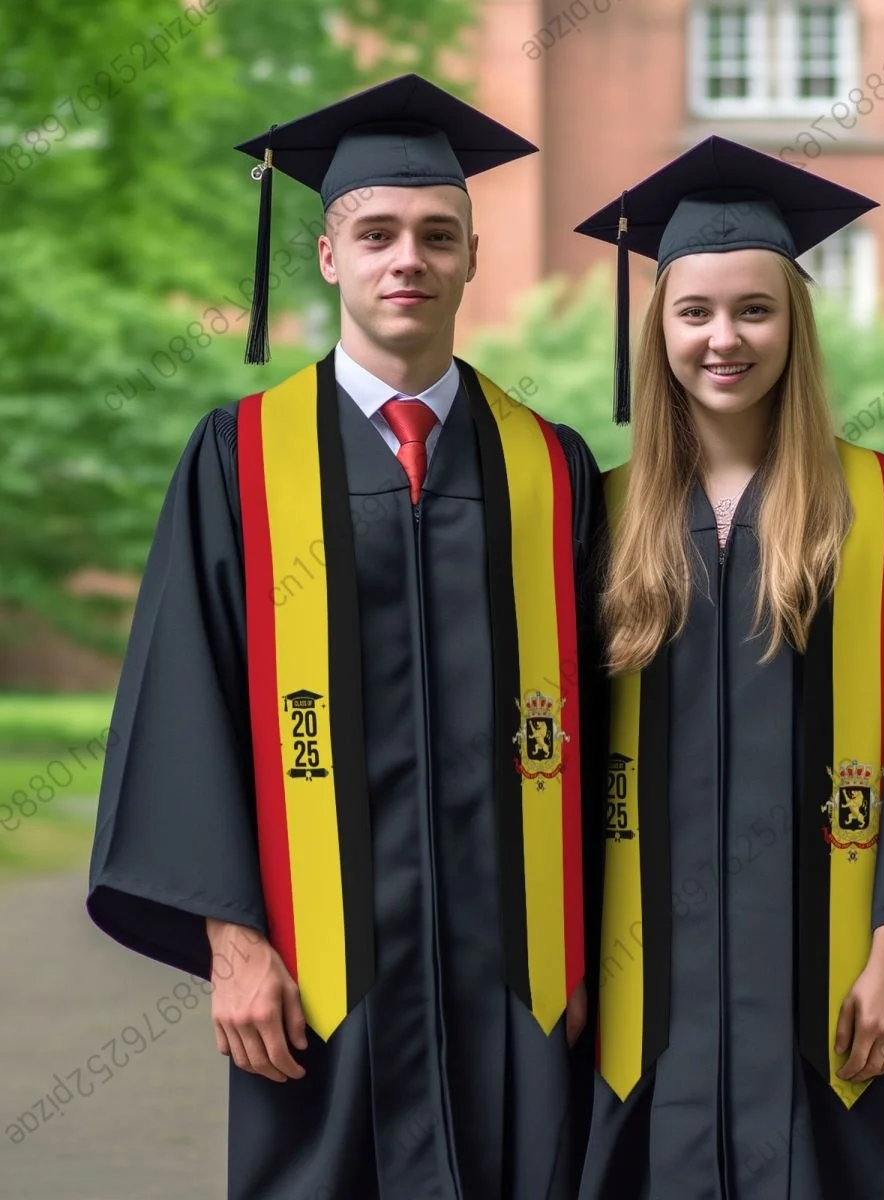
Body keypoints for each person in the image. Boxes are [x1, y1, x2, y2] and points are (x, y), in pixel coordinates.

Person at [86, 74, 605, 1200]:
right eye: (376, 234)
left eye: (434, 234)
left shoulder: (550, 470)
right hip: (324, 981)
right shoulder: (241, 459)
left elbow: (618, 728)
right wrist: (231, 941)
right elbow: (185, 700)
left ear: (473, 255)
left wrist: (608, 958)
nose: (405, 259)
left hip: (518, 983)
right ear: (328, 257)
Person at [571, 135, 884, 1198]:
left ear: (796, 328)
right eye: (693, 312)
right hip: (643, 1000)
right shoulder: (598, 517)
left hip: (832, 994)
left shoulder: (876, 510)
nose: (724, 339)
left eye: (756, 309)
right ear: (655, 330)